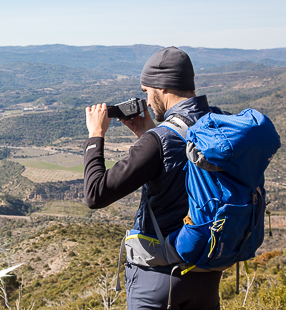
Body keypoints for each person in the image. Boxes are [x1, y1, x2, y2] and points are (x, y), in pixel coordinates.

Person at [83, 47, 222, 310]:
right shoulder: (218, 122)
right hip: (207, 273)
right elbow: (184, 167)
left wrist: (95, 136)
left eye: (147, 92)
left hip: (159, 278)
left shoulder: (158, 143)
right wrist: (149, 133)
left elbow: (95, 195)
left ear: (163, 87)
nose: (146, 101)